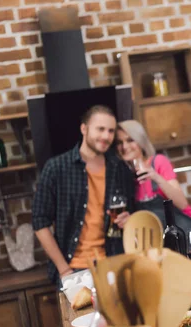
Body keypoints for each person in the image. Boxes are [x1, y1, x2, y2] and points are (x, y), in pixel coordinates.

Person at [33, 105, 134, 283]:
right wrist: (64, 269)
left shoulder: (119, 168)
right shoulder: (56, 168)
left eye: (110, 131)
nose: (106, 136)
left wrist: (129, 219)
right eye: (100, 129)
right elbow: (40, 222)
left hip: (115, 264)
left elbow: (133, 213)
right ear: (84, 129)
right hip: (75, 269)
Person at [115, 120, 191, 228]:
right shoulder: (126, 176)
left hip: (187, 231)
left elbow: (182, 204)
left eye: (130, 140)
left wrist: (156, 177)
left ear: (140, 141)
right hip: (162, 239)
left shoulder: (158, 162)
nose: (124, 146)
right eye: (119, 142)